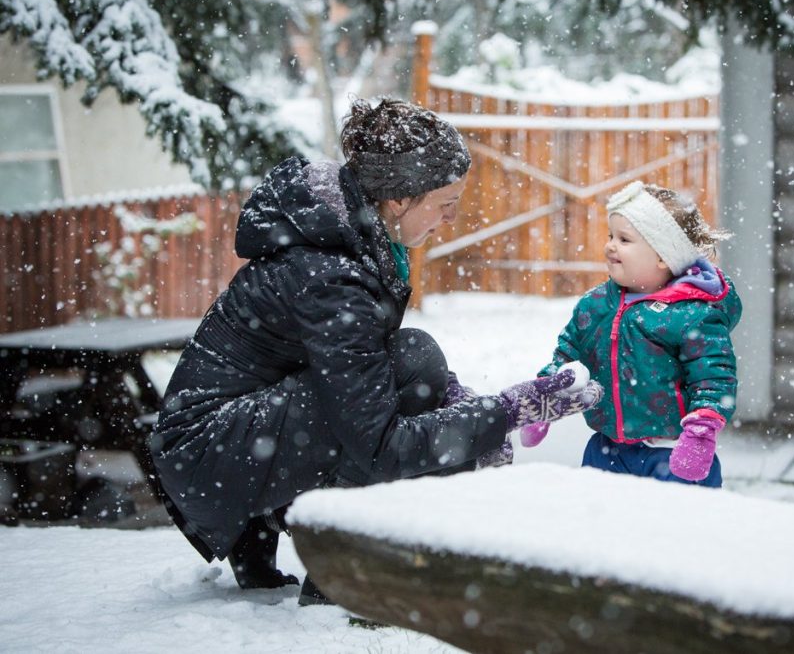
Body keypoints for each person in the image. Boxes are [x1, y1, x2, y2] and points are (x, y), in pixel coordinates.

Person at [149, 98, 602, 602]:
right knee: (413, 383)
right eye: (445, 203)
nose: (452, 217)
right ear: (400, 199)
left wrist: (455, 399)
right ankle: (340, 575)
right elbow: (381, 446)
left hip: (226, 445)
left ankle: (289, 539)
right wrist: (504, 412)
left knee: (418, 371)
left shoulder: (348, 236)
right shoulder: (331, 275)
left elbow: (366, 362)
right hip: (207, 454)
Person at [522, 180, 740, 488]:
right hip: (606, 450)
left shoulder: (692, 315)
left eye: (624, 239)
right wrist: (546, 398)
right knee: (596, 515)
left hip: (672, 453)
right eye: (611, 236)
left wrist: (700, 432)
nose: (610, 245)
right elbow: (568, 354)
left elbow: (714, 377)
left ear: (663, 255)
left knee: (674, 519)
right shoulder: (597, 304)